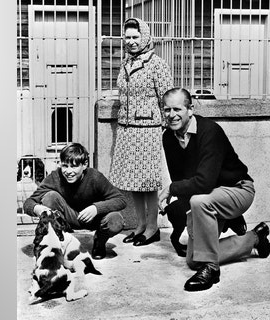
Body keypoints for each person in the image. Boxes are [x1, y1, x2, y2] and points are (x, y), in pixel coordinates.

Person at [158, 88, 270, 292]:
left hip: (237, 189)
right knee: (193, 259)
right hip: (208, 196)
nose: (171, 115)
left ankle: (211, 269)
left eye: (177, 109)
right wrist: (189, 217)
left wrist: (171, 189)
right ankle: (255, 237)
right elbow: (182, 180)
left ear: (190, 109)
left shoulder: (209, 131)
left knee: (200, 202)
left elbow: (203, 182)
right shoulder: (168, 137)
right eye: (166, 110)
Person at [109, 17, 173, 247]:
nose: (131, 41)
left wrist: (167, 127)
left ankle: (153, 227)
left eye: (135, 37)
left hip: (148, 130)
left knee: (148, 181)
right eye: (127, 37)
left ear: (144, 37)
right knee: (134, 182)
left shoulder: (157, 64)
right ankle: (140, 226)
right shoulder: (126, 63)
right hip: (128, 130)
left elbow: (167, 99)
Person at [24, 143, 126, 260]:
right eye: (65, 166)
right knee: (50, 197)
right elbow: (28, 203)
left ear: (84, 165)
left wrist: (96, 208)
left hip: (94, 218)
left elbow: (121, 200)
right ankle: (60, 242)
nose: (68, 171)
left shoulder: (95, 177)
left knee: (116, 220)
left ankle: (99, 241)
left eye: (74, 166)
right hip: (67, 219)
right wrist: (39, 209)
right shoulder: (55, 177)